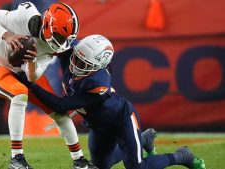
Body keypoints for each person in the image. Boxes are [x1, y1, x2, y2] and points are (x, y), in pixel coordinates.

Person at [23, 34, 206, 169]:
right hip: (98, 126)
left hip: (121, 119)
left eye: (83, 64)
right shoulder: (72, 52)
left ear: (97, 67)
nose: (75, 64)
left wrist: (30, 84)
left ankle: (181, 156)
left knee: (136, 167)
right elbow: (50, 41)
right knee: (102, 166)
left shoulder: (98, 83)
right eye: (76, 58)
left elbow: (61, 106)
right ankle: (143, 140)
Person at [0, 2, 97, 169]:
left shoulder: (50, 46)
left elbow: (33, 77)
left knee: (60, 112)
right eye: (60, 36)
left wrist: (31, 62)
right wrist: (7, 35)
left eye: (66, 38)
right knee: (19, 94)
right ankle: (16, 159)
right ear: (47, 25)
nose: (62, 42)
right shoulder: (24, 17)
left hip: (22, 73)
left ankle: (79, 161)